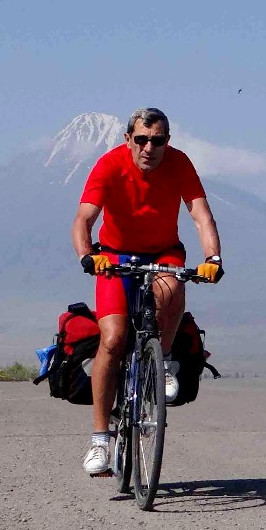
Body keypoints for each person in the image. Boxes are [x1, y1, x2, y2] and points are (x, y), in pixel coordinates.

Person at [71, 108, 225, 476]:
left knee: (172, 289)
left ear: (167, 142)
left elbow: (201, 214)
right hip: (113, 256)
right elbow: (84, 218)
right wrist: (87, 255)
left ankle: (164, 360)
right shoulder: (109, 165)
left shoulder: (180, 163)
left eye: (158, 141)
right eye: (141, 139)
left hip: (163, 252)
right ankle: (100, 441)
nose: (149, 148)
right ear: (129, 139)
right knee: (113, 338)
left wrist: (213, 257)